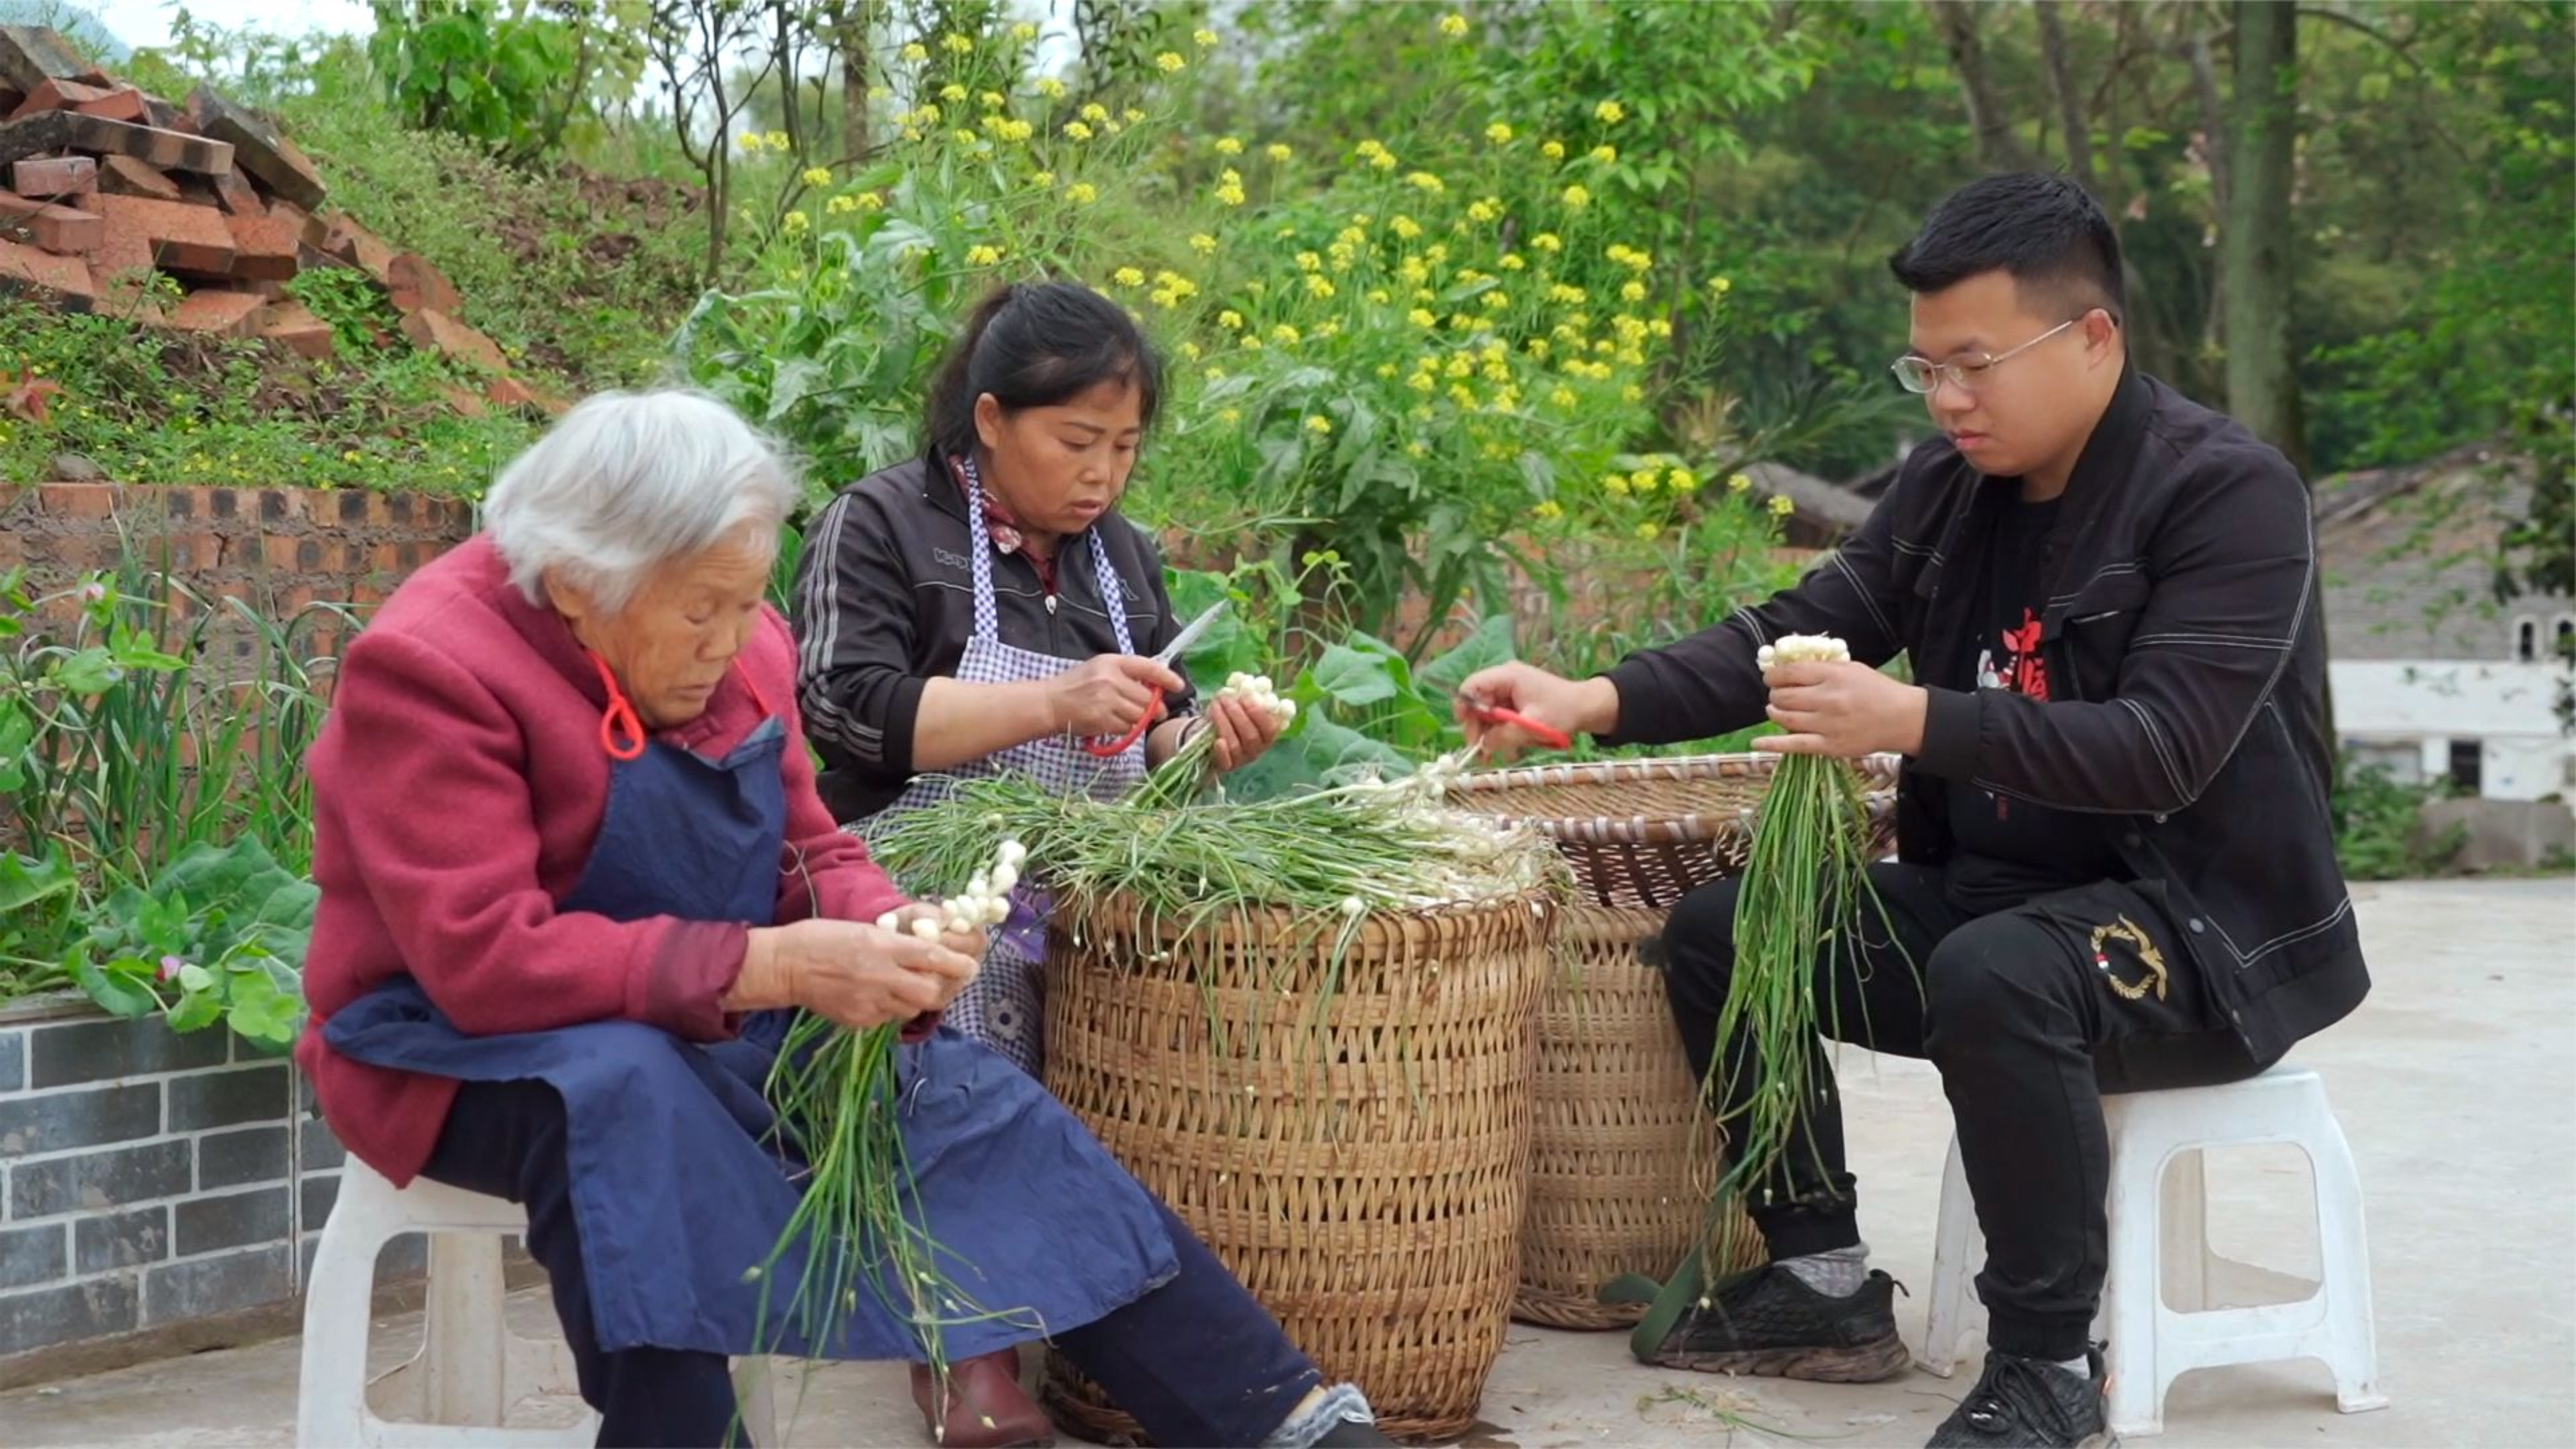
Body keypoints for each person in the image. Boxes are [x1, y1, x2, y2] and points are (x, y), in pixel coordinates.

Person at [1457, 172, 2366, 1449]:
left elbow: (2162, 750)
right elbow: (1796, 630)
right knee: (1728, 933)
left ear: (2093, 337)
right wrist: (1589, 698)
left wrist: (1913, 718)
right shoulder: (1949, 488)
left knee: (2000, 973)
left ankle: (2049, 1364)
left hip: (2198, 932)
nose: (1948, 400)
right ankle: (1823, 1280)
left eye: (1976, 366)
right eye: (1927, 369)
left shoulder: (2227, 494)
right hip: (1996, 902)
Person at [296, 389, 1388, 1449]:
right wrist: (771, 968)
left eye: (746, 604)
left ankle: (1279, 1421)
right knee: (625, 1102)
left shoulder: (741, 640)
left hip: (701, 1013)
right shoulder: (434, 667)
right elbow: (484, 960)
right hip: (449, 1047)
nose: (733, 642)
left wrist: (889, 929)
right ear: (578, 585)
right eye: (701, 612)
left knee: (959, 1096)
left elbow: (811, 851)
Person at [789, 281, 1285, 1445]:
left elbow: (1149, 735)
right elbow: (844, 709)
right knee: (957, 1008)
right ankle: (965, 1355)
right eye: (1076, 440)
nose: (1103, 473)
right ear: (991, 417)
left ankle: (1122, 1331)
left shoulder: (1123, 560)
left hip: (1080, 870)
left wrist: (1202, 743)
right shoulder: (882, 523)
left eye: (1126, 446)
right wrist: (1054, 698)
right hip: (916, 863)